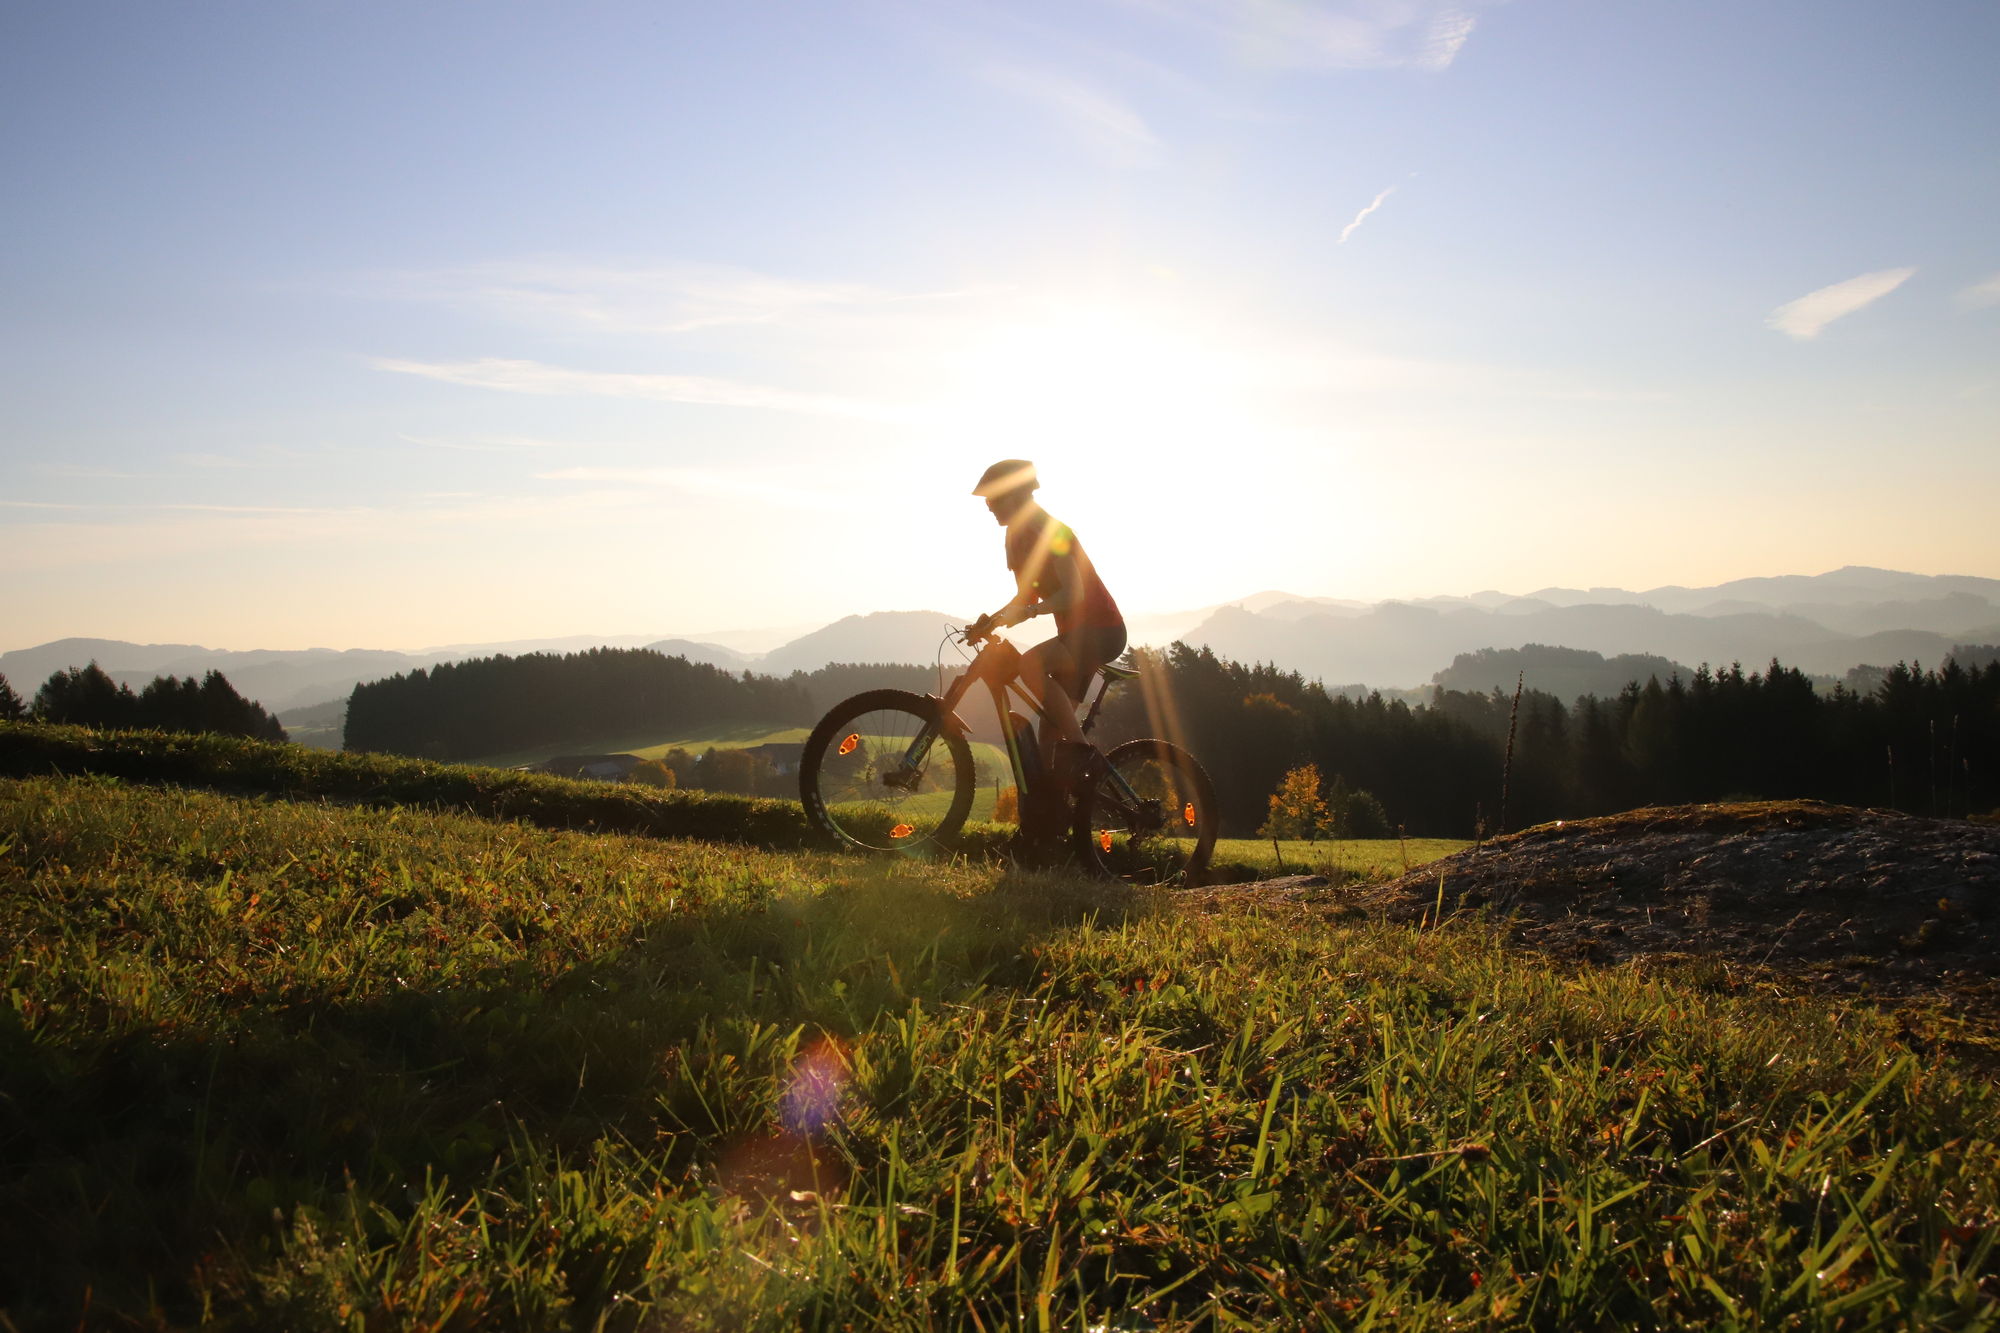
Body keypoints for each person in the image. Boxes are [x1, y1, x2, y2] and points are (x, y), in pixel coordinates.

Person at [967, 459, 1128, 819]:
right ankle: (1052, 828)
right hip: (1076, 636)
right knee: (1047, 744)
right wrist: (990, 621)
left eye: (993, 499)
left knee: (1031, 664)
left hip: (1100, 631)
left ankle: (1084, 752)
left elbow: (1074, 593)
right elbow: (1024, 598)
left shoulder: (1050, 530)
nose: (988, 506)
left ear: (1015, 495)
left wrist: (1032, 613)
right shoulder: (1015, 537)